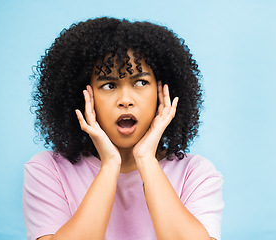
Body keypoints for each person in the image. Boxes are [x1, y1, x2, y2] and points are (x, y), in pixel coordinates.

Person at [23, 17, 224, 240]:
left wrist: (146, 159)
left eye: (140, 82)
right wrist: (110, 165)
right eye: (109, 85)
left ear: (163, 93)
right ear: (83, 96)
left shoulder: (195, 174)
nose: (125, 100)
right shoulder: (47, 170)